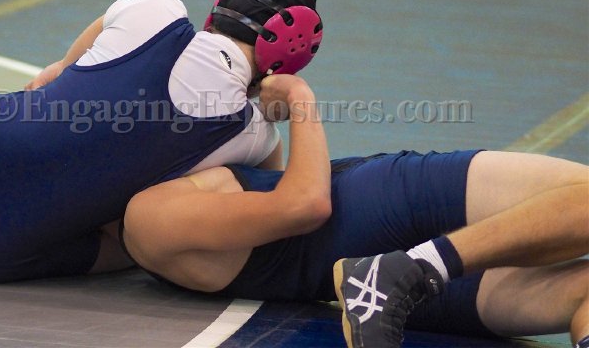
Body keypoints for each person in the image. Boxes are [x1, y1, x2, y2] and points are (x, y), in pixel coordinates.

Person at [0, 0, 323, 283]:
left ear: (218, 9)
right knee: (137, 234)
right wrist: (275, 108)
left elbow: (52, 75)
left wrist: (66, 79)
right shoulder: (253, 138)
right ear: (293, 55)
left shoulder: (157, 12)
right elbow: (260, 198)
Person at [114, 74, 589, 347]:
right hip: (382, 206)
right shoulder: (150, 213)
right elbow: (307, 203)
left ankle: (406, 273)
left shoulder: (139, 228)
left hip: (368, 290)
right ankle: (411, 270)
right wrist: (300, 98)